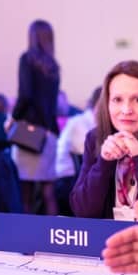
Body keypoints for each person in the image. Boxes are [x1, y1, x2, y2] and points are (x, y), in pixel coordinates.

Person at [70, 60, 138, 220]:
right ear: (107, 104)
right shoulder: (95, 138)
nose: (126, 110)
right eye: (117, 100)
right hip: (107, 240)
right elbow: (83, 211)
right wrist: (103, 163)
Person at [9, 19, 60, 215]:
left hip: (29, 133)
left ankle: (26, 238)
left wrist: (13, 118)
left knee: (25, 193)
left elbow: (25, 95)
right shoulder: (53, 65)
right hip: (50, 133)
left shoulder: (26, 59)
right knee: (49, 192)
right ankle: (56, 237)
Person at [55, 86, 101, 215]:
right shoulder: (79, 122)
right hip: (66, 177)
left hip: (75, 172)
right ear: (98, 104)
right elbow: (86, 152)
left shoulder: (89, 122)